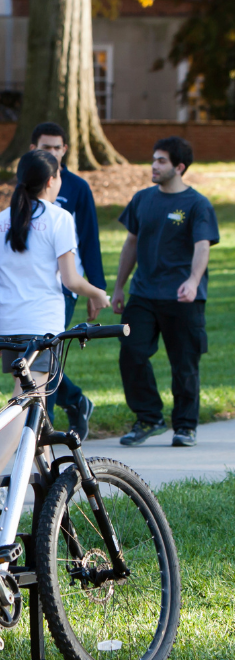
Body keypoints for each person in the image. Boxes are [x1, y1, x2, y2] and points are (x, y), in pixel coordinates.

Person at [0, 149, 110, 507]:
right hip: (42, 327)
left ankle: (51, 489)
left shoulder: (0, 221)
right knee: (24, 403)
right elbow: (71, 280)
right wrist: (97, 293)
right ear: (52, 181)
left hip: (9, 324)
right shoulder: (59, 218)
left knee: (33, 408)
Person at [114, 137, 219, 448]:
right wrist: (120, 286)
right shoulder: (142, 199)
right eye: (154, 159)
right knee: (131, 353)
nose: (154, 166)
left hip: (183, 297)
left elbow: (202, 247)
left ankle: (185, 426)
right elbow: (131, 243)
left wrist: (193, 280)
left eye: (161, 161)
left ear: (179, 167)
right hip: (144, 293)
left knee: (184, 363)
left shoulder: (197, 205)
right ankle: (148, 418)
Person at [30, 122, 106, 441]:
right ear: (32, 148)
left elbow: (89, 240)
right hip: (30, 285)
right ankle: (75, 400)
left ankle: (41, 428)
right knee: (32, 359)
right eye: (44, 147)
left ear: (65, 150)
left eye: (56, 147)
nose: (51, 152)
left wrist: (95, 289)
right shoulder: (24, 188)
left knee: (44, 355)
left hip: (64, 286)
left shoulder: (75, 187)